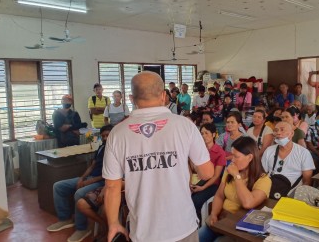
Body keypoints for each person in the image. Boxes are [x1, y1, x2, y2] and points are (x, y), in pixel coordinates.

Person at [102, 71, 214, 242]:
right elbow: (206, 173)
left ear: (132, 99)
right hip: (182, 226)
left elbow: (111, 187)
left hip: (143, 231)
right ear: (163, 96)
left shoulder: (117, 133)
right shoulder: (185, 126)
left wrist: (113, 223)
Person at [47, 125, 113, 242]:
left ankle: (82, 228)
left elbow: (110, 174)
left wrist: (89, 181)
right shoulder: (101, 148)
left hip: (102, 181)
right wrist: (82, 178)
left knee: (79, 193)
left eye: (108, 135)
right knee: (58, 186)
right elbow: (92, 166)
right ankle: (65, 219)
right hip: (90, 177)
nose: (105, 138)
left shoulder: (115, 150)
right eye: (103, 136)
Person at [199, 137, 271, 242]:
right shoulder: (229, 172)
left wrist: (237, 176)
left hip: (239, 226)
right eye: (232, 155)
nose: (232, 159)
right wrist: (214, 214)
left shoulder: (263, 180)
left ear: (250, 157)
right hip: (222, 219)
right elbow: (219, 195)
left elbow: (248, 203)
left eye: (236, 156)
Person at [262, 121, 315, 189]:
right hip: (270, 189)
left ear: (292, 133)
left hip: (293, 192)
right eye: (276, 130)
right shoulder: (269, 150)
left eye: (282, 129)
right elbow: (263, 174)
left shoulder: (303, 153)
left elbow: (307, 181)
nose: (278, 133)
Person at [191, 123, 226, 224]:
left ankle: (197, 223)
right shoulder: (198, 149)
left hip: (213, 184)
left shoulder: (220, 152)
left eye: (206, 133)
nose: (203, 136)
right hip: (198, 180)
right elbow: (193, 168)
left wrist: (202, 187)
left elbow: (216, 176)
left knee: (196, 200)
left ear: (214, 134)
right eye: (201, 133)